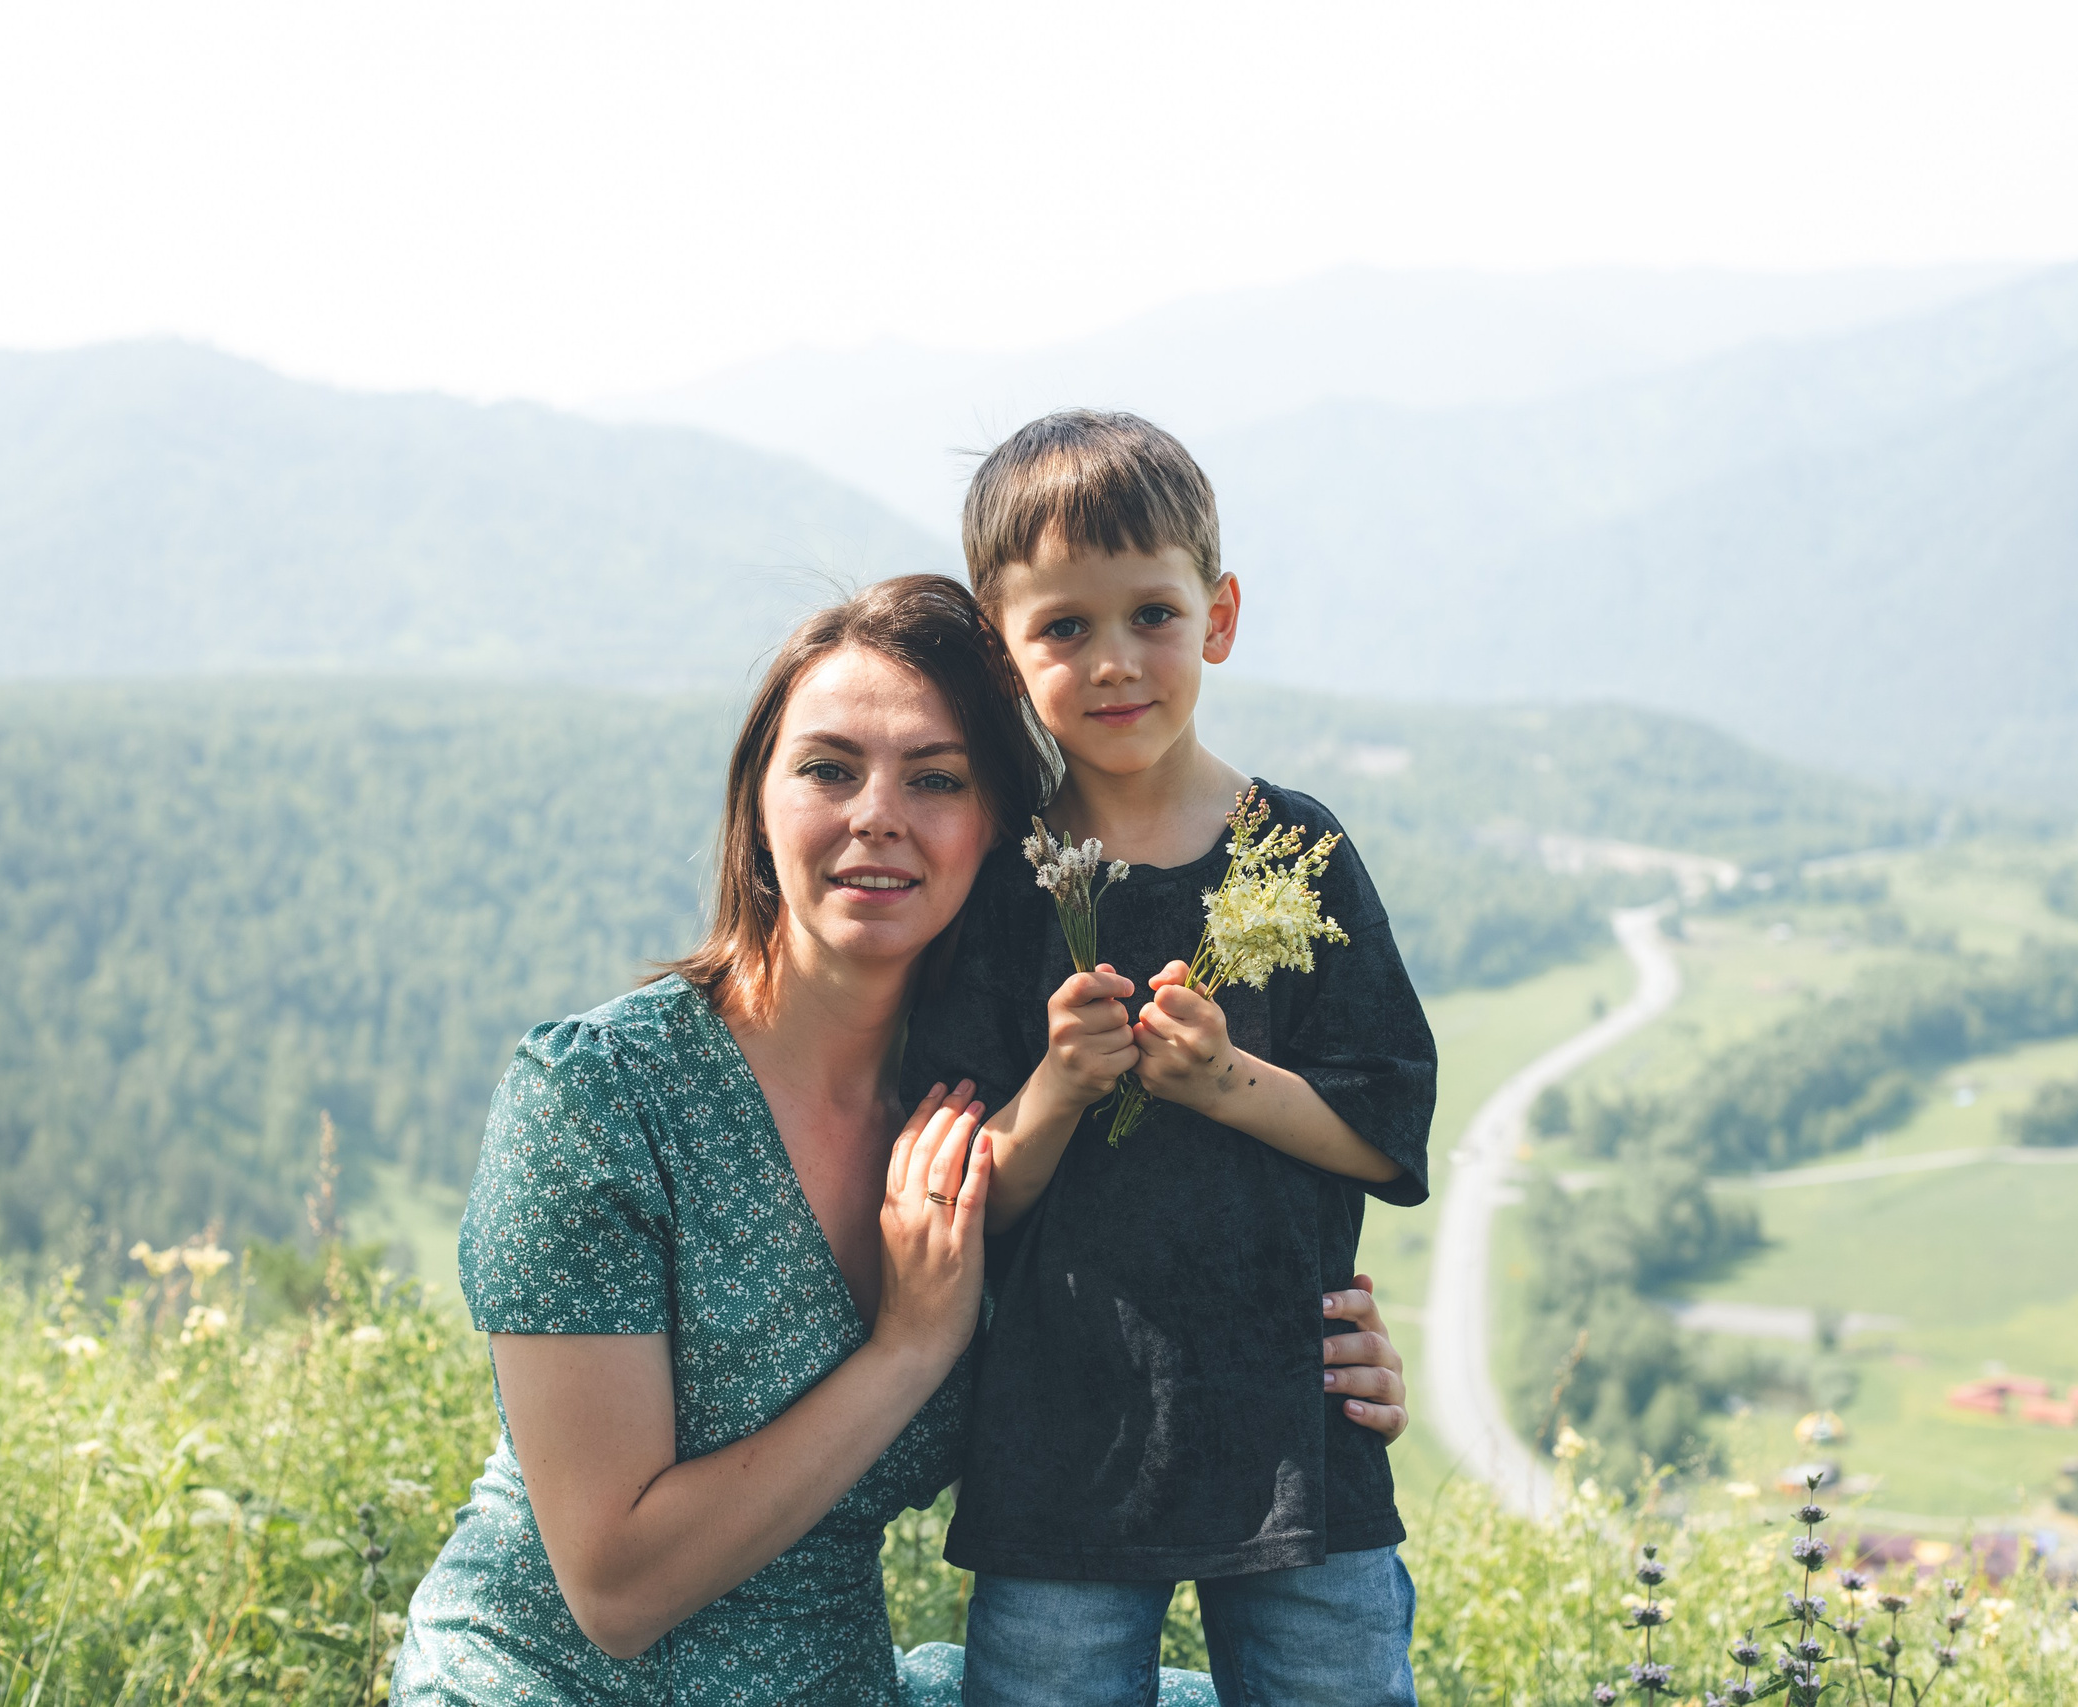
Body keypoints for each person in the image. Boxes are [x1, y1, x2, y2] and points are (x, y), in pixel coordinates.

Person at [390, 574, 1417, 1706]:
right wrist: (909, 1348)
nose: (878, 812)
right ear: (758, 802)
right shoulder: (601, 1099)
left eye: (936, 780)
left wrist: (1300, 1359)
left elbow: (1141, 1303)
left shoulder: (1012, 1119)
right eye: (829, 769)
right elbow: (616, 1592)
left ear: (1005, 838)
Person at [908, 412, 1441, 1707]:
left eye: (1152, 612)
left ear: (1221, 613)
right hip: (1064, 1436)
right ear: (1002, 646)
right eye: (1064, 628)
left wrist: (1225, 1081)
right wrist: (1057, 1087)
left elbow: (1389, 1129)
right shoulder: (1003, 879)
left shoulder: (1296, 848)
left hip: (1295, 1432)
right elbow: (978, 1197)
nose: (1115, 660)